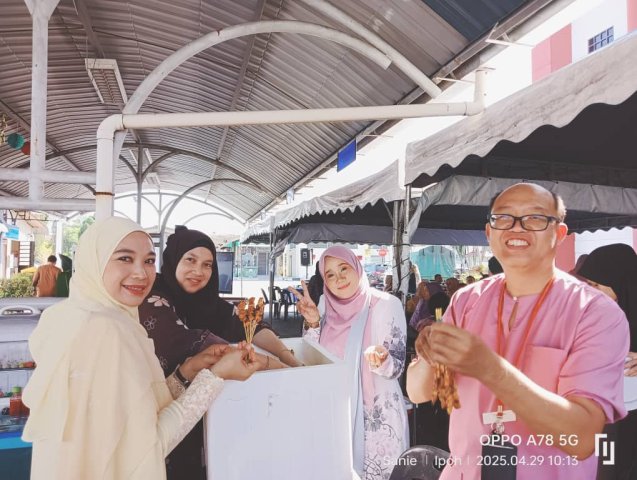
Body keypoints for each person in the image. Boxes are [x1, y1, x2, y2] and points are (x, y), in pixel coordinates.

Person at [407, 183, 629, 479]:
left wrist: (491, 369)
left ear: (559, 233)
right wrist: (428, 354)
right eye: (503, 218)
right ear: (489, 233)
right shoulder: (466, 301)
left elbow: (581, 439)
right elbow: (420, 392)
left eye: (534, 218)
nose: (516, 228)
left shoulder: (594, 312)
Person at [22, 217, 257, 479]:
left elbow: (129, 414)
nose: (141, 273)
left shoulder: (70, 316)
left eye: (148, 261)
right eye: (124, 258)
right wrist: (214, 377)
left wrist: (187, 371)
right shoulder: (106, 331)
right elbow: (148, 447)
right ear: (94, 260)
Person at [139, 226, 299, 479]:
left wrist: (286, 354)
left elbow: (252, 325)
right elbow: (193, 343)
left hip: (214, 418)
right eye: (190, 260)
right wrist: (277, 367)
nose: (199, 271)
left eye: (207, 265)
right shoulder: (153, 299)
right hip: (166, 423)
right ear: (173, 260)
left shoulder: (210, 303)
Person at [290, 246, 408, 480]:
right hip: (334, 414)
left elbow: (396, 368)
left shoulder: (385, 304)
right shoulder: (324, 305)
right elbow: (313, 360)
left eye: (344, 268)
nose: (339, 278)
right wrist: (313, 323)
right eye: (330, 274)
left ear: (356, 267)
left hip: (376, 423)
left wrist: (382, 359)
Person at [578, 243, 637, 480]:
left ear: (618, 281)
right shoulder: (596, 315)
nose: (591, 291)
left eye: (596, 285)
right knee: (607, 467)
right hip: (606, 415)